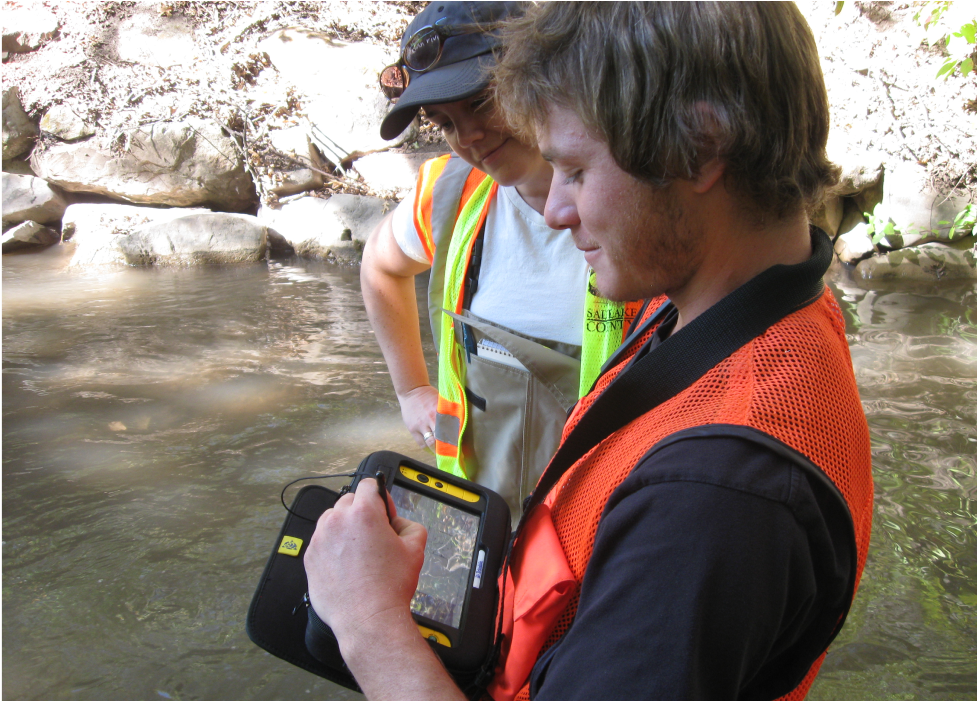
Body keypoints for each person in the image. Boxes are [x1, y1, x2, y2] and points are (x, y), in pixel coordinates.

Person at [305, 3, 875, 700]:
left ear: (697, 148)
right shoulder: (744, 307)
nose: (553, 209)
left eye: (573, 169)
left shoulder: (712, 495)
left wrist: (370, 626)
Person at [363, 0, 640, 518]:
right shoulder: (448, 194)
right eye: (443, 121)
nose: (466, 138)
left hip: (596, 527)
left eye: (482, 101)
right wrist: (411, 390)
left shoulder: (637, 194)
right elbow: (380, 268)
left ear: (544, 76)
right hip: (472, 523)